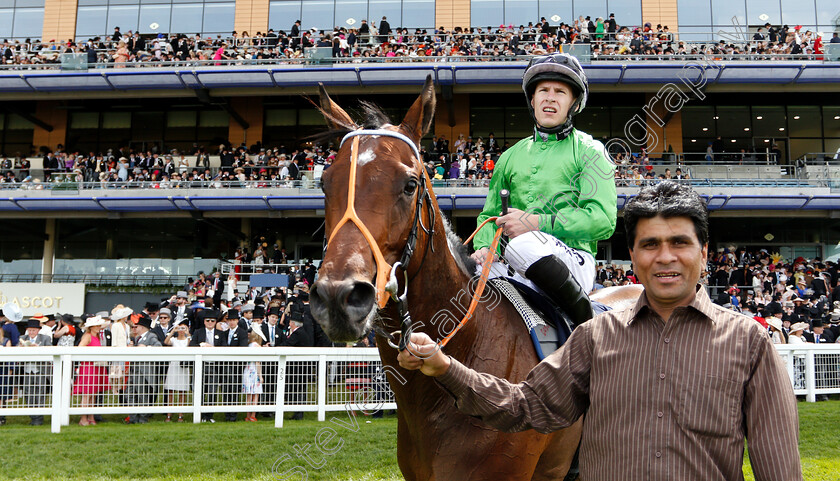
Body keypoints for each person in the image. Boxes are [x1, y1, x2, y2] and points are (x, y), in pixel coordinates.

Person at [399, 181, 802, 480]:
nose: (665, 257)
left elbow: (779, 468)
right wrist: (445, 367)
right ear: (633, 255)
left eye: (679, 242)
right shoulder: (595, 335)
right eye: (650, 244)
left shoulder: (751, 344)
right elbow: (526, 406)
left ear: (704, 252)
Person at [471, 53, 616, 327]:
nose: (550, 98)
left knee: (524, 243)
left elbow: (602, 221)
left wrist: (536, 222)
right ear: (533, 100)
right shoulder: (509, 157)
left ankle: (587, 326)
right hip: (516, 263)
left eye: (560, 92)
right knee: (466, 272)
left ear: (572, 103)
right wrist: (483, 248)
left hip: (574, 261)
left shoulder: (590, 150)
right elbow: (489, 216)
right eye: (543, 91)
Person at [73, 315, 109, 426]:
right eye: (96, 325)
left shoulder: (96, 337)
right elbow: (80, 348)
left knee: (93, 394)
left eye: (99, 325)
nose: (98, 327)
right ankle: (83, 418)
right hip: (89, 367)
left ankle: (91, 417)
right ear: (91, 327)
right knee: (87, 394)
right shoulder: (87, 336)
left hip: (96, 366)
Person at [126, 315, 162, 424]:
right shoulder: (137, 339)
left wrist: (146, 348)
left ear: (142, 327)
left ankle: (142, 418)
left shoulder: (151, 336)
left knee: (142, 395)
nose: (135, 329)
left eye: (137, 327)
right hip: (134, 370)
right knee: (130, 394)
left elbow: (159, 347)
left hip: (143, 372)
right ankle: (133, 417)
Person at [20, 315, 53, 425]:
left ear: (38, 330)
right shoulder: (23, 338)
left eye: (33, 330)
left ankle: (39, 417)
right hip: (27, 370)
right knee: (28, 393)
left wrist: (38, 349)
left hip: (40, 370)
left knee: (40, 392)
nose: (31, 332)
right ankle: (33, 416)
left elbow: (50, 351)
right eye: (29, 330)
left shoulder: (45, 338)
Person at [164, 321, 191, 422]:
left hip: (183, 366)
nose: (181, 331)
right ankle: (169, 414)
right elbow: (166, 342)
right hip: (174, 365)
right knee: (170, 390)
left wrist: (188, 333)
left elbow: (191, 344)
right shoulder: (173, 340)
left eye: (183, 328)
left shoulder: (187, 340)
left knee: (182, 391)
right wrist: (173, 331)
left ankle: (180, 414)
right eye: (180, 328)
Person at [243, 330, 265, 422]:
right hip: (254, 371)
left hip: (247, 370)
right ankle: (253, 415)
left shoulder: (248, 345)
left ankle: (247, 415)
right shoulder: (257, 346)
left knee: (248, 394)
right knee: (256, 394)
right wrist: (260, 375)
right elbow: (257, 362)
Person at [0, 327, 11, 425]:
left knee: (2, 393)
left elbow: (10, 357)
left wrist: (10, 370)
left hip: (3, 369)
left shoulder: (6, 341)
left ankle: (2, 416)